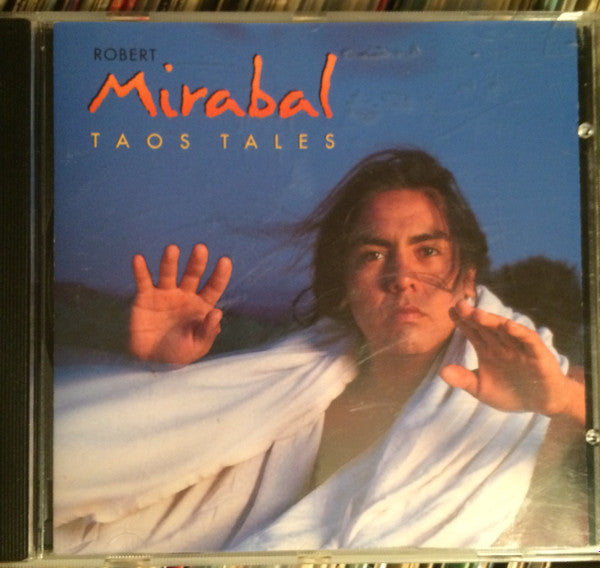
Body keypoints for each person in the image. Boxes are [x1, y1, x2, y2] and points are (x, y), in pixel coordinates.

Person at [54, 148, 587, 554]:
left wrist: (563, 399)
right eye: (373, 254)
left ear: (467, 277)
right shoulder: (290, 389)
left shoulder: (551, 393)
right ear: (346, 285)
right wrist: (156, 380)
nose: (402, 277)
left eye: (427, 251)